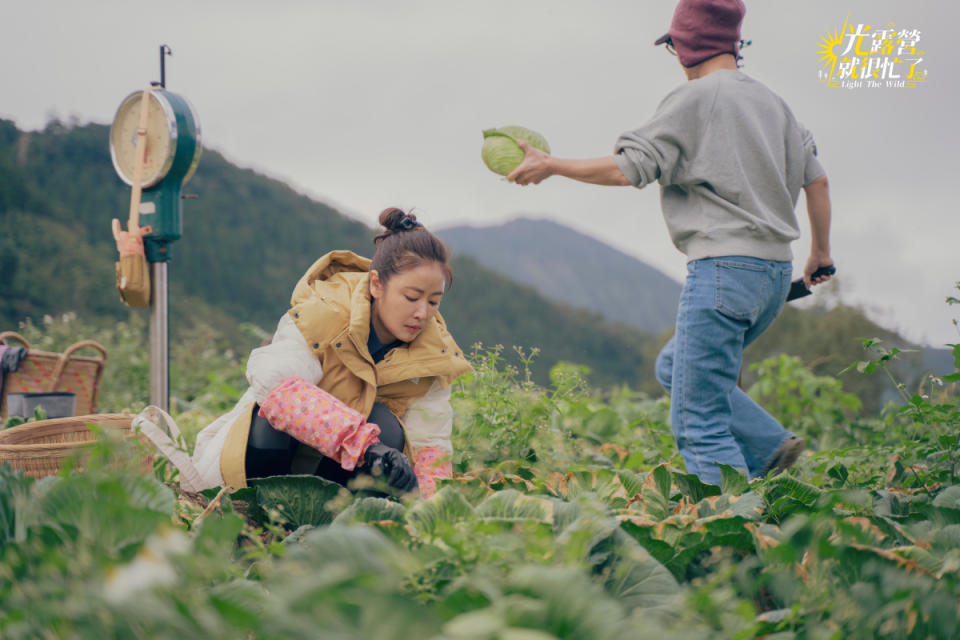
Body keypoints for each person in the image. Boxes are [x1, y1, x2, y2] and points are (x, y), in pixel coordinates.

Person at [506, 0, 833, 486]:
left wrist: (552, 166)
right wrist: (820, 253)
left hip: (723, 273)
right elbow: (818, 182)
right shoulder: (775, 104)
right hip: (771, 278)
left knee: (698, 424)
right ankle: (769, 445)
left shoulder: (695, 99)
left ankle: (734, 542)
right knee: (675, 365)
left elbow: (626, 168)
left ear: (683, 46)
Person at [190, 208, 472, 497]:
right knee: (267, 418)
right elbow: (276, 386)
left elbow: (430, 445)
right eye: (411, 297)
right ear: (376, 284)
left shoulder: (433, 358)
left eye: (434, 302)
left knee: (386, 427)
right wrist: (364, 444)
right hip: (266, 462)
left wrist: (429, 512)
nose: (422, 313)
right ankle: (256, 514)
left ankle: (331, 528)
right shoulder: (324, 312)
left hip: (334, 481)